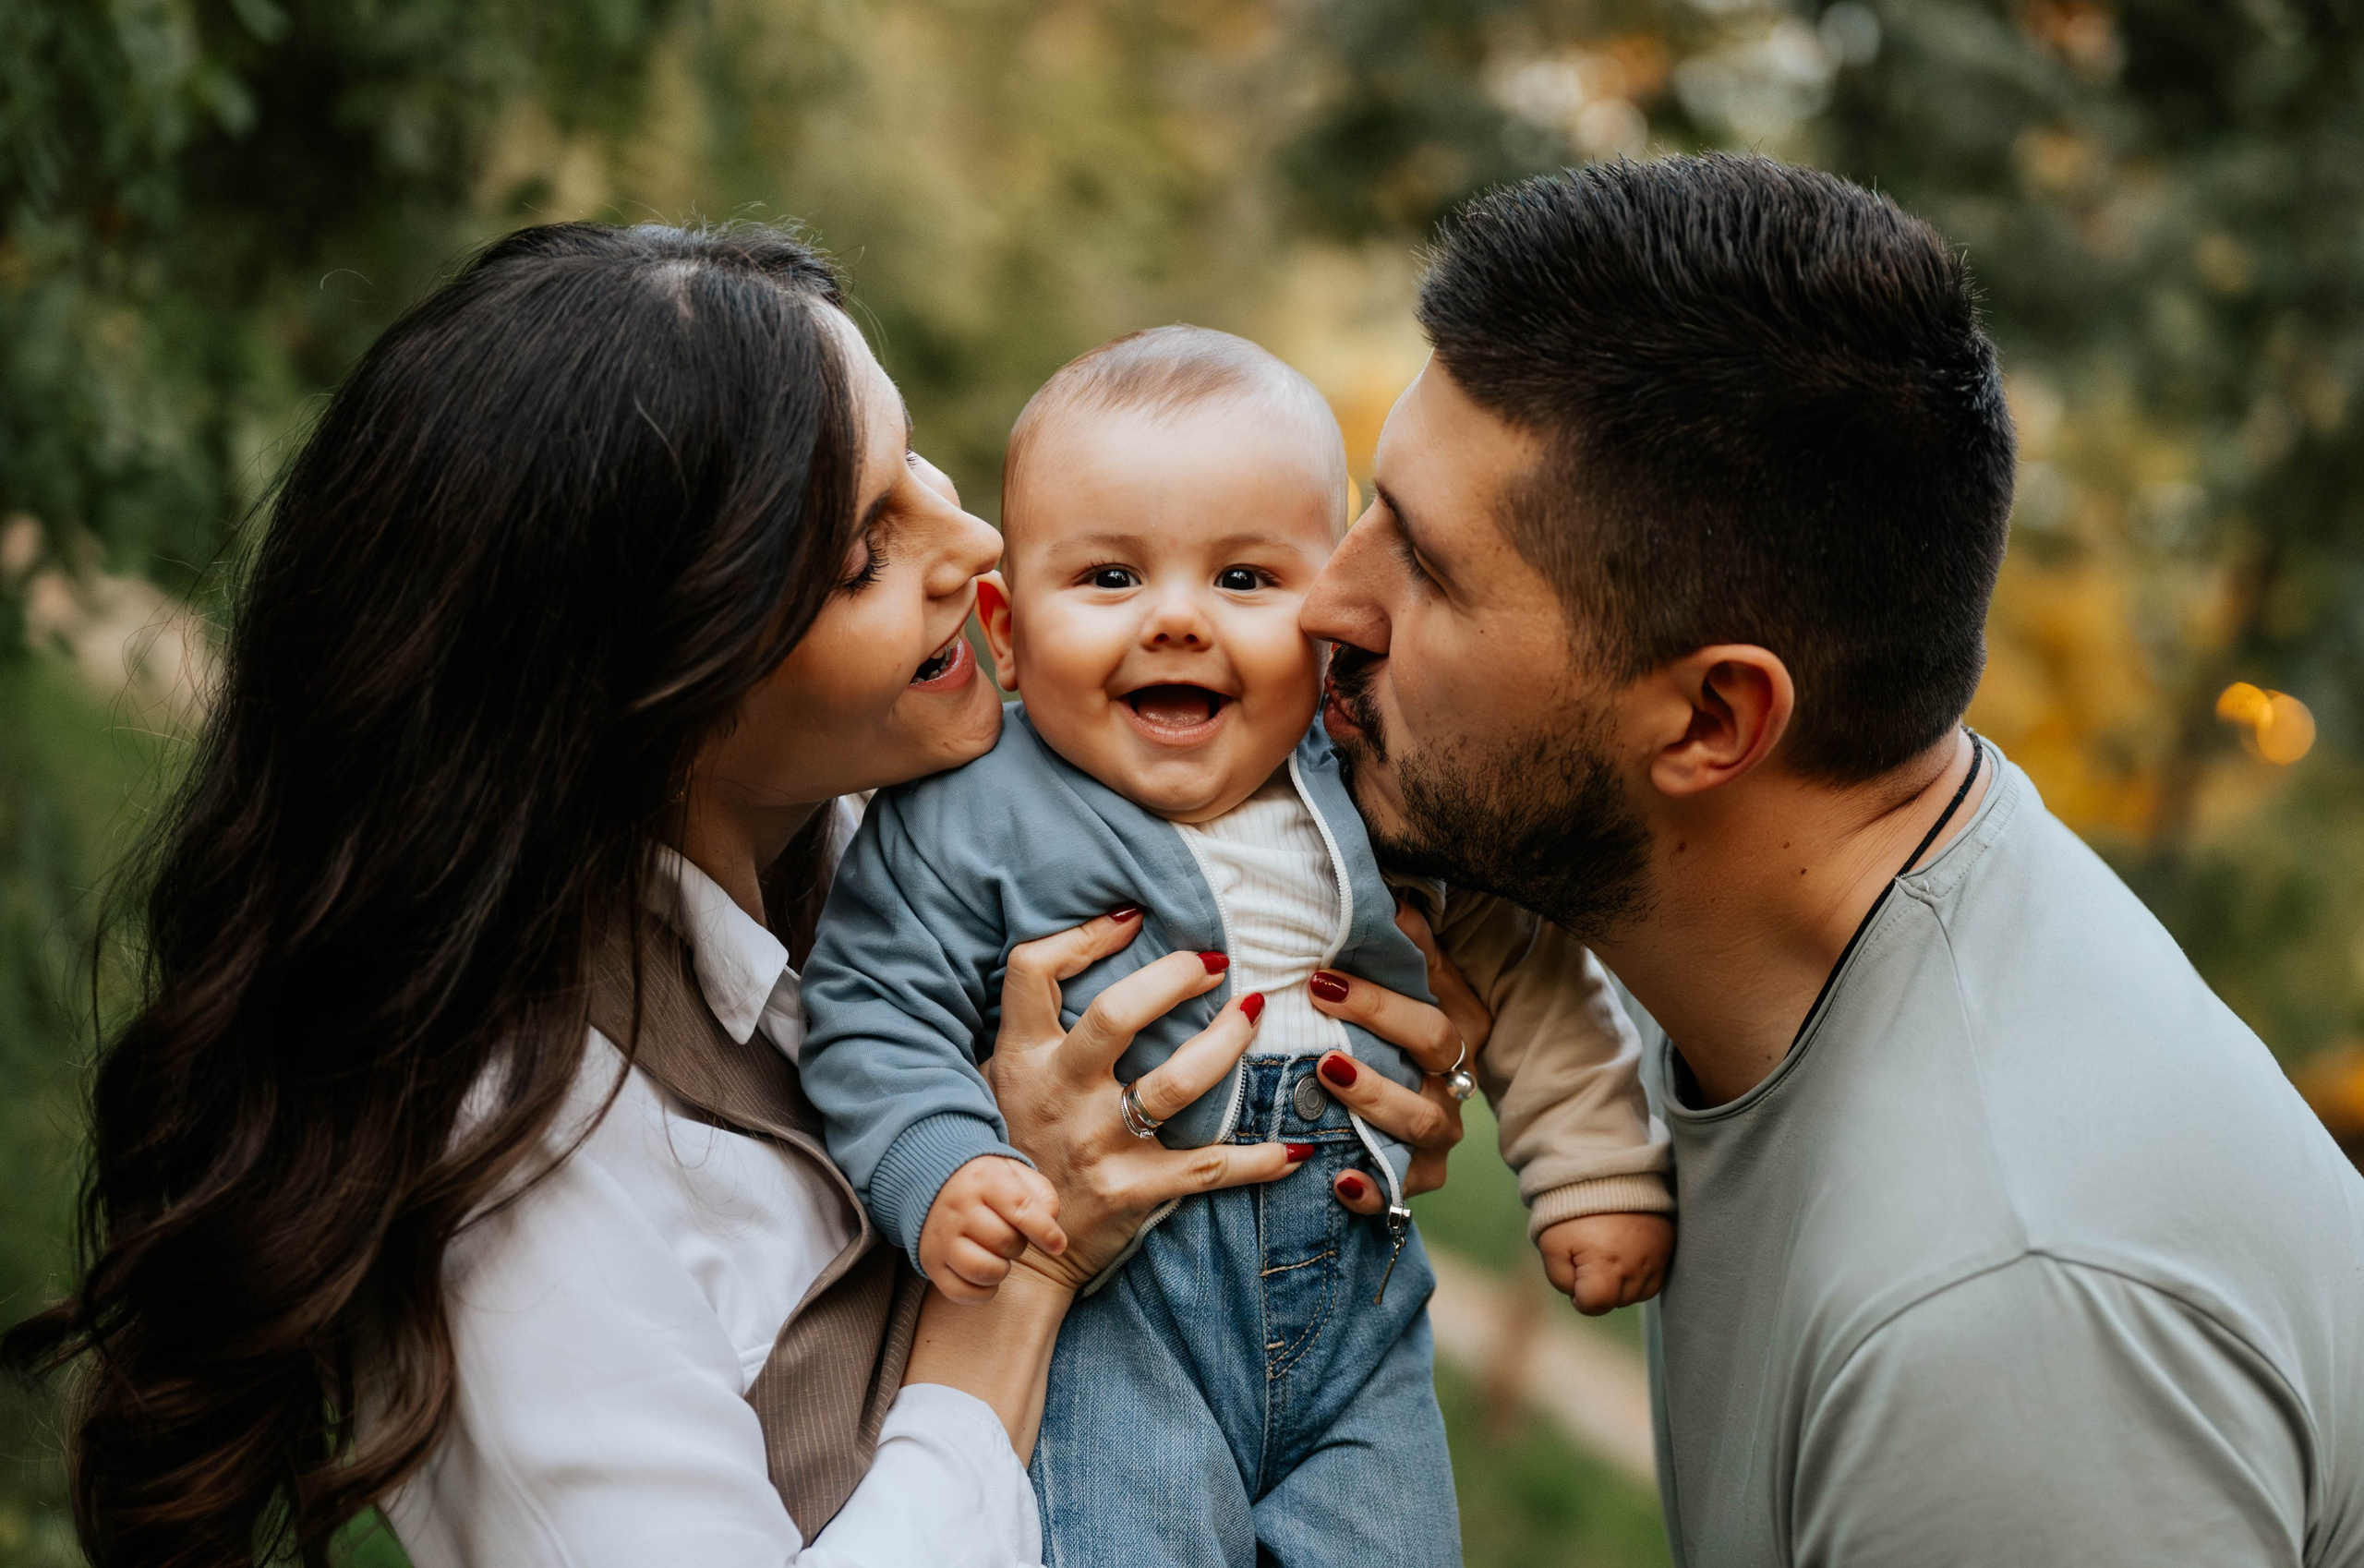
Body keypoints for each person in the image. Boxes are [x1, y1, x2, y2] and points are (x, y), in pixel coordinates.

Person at [0, 222, 1470, 1568]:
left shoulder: (892, 842)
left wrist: (1326, 1077)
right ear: (658, 685)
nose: (975, 556)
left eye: (923, 474)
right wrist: (1022, 1278)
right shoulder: (525, 1162)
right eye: (861, 553)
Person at [1302, 153, 2364, 1566]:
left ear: (1713, 717)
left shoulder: (2001, 1316)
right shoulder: (1805, 947)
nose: (1327, 596)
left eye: (1426, 569)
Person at [796, 327, 1670, 1564]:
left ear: (1328, 621)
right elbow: (873, 1008)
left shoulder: (1365, 782)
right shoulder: (965, 814)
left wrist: (1590, 1168)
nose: (1176, 622)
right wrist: (943, 1165)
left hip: (1357, 1332)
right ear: (1006, 624)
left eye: (1245, 581)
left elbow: (1520, 966)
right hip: (1120, 1323)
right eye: (1109, 579)